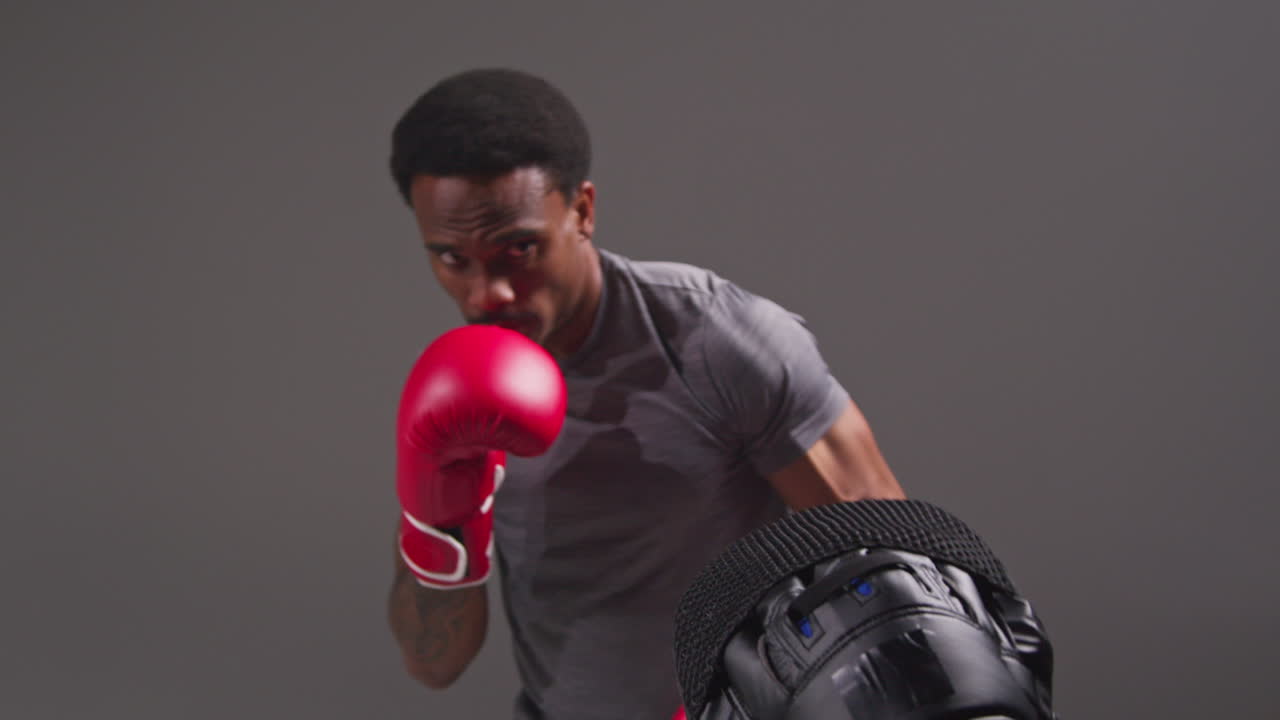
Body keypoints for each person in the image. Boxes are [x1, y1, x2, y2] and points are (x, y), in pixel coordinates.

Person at [385, 68, 906, 720]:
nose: (488, 295)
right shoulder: (457, 393)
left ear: (581, 210)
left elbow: (893, 575)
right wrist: (438, 515)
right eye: (452, 258)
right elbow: (434, 662)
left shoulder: (716, 342)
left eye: (518, 248)